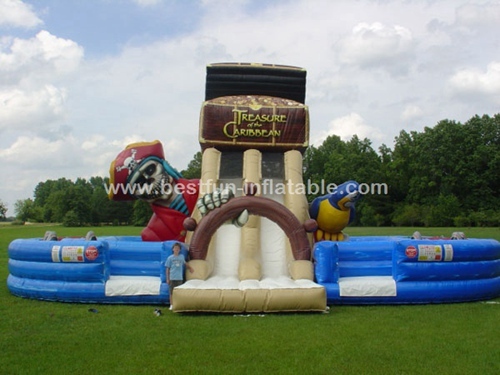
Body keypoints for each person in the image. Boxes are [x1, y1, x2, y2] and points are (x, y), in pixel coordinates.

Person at [166, 242, 193, 310]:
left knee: (178, 292)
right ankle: (171, 304)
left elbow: (184, 263)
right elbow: (167, 268)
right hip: (172, 277)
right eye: (175, 248)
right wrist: (168, 278)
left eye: (178, 248)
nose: (176, 249)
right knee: (171, 292)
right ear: (173, 249)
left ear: (180, 250)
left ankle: (177, 304)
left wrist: (190, 268)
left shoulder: (181, 257)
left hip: (179, 277)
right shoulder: (170, 258)